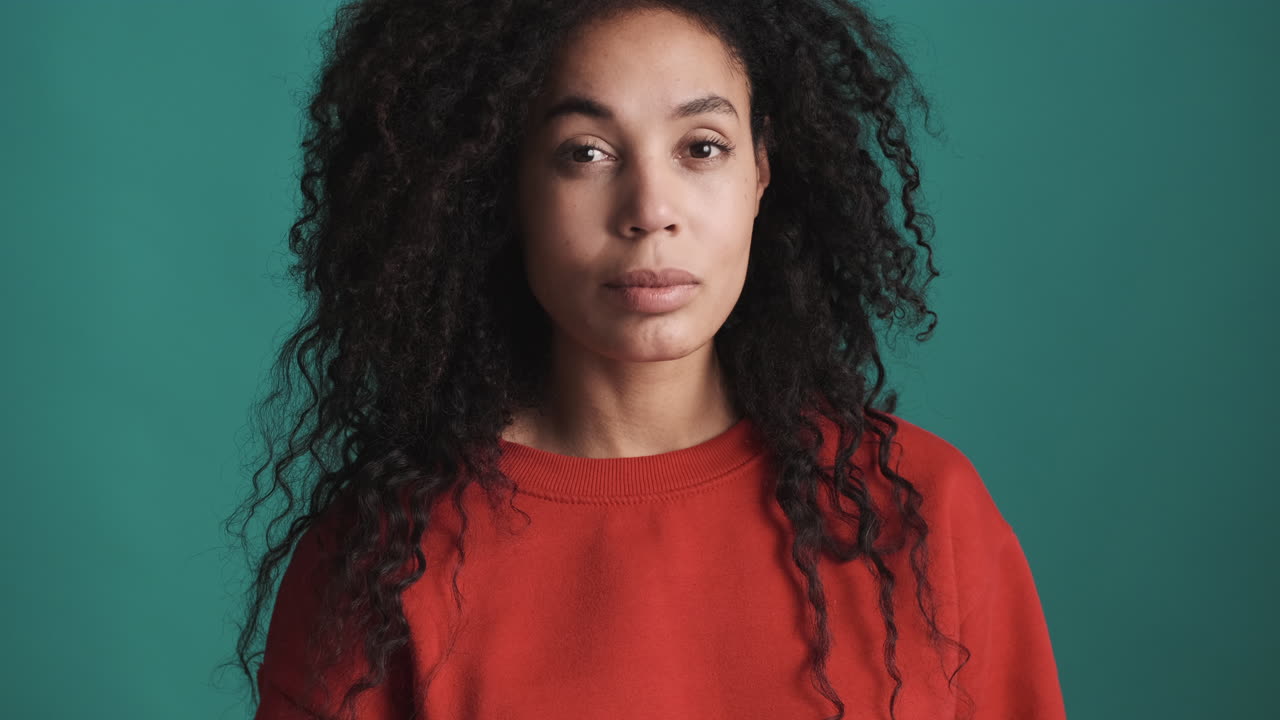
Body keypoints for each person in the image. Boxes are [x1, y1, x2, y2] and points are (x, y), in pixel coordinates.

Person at [224, 1, 1068, 718]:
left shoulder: (924, 513)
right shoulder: (379, 564)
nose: (650, 210)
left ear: (763, 170)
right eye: (585, 152)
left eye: (701, 147)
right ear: (500, 183)